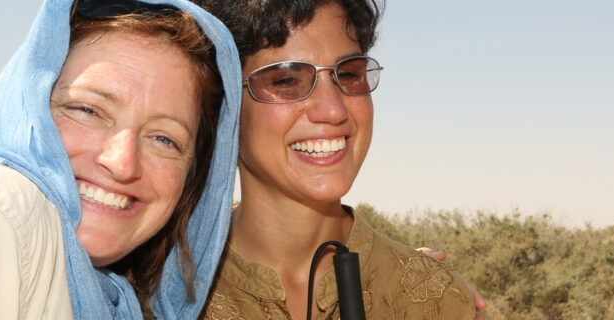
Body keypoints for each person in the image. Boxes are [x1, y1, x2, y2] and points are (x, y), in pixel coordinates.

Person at [0, 0, 241, 319]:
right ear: (26, 108)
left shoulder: (113, 298)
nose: (123, 163)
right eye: (88, 111)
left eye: (164, 138)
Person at [193, 0, 480, 319]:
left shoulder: (434, 298)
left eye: (348, 74)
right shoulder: (157, 295)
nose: (333, 109)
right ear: (223, 103)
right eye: (286, 80)